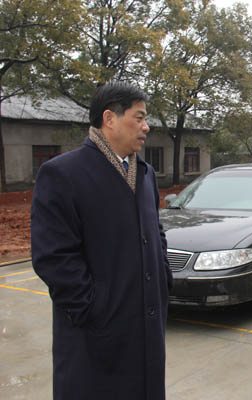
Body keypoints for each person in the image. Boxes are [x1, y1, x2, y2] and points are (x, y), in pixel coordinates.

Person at [31, 82, 172, 400]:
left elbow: (156, 231)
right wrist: (93, 308)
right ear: (110, 119)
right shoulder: (63, 174)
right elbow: (52, 257)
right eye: (139, 117)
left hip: (146, 329)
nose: (146, 127)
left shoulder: (145, 174)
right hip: (94, 336)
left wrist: (162, 277)